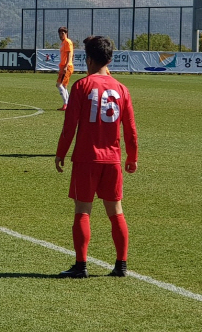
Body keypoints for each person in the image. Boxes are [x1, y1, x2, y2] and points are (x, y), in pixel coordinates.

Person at [55, 36, 138, 278]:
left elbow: (70, 126)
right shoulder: (122, 89)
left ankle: (81, 266)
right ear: (110, 59)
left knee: (82, 210)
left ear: (88, 59)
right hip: (112, 160)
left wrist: (61, 152)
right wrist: (132, 157)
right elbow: (130, 129)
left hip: (86, 159)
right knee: (116, 212)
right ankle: (121, 265)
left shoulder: (82, 86)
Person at [56, 26, 74, 111]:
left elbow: (69, 54)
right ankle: (68, 104)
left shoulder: (67, 42)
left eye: (62, 33)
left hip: (67, 66)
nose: (61, 35)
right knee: (64, 86)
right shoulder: (63, 43)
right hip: (63, 66)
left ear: (66, 33)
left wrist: (66, 66)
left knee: (59, 85)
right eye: (60, 33)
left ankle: (66, 104)